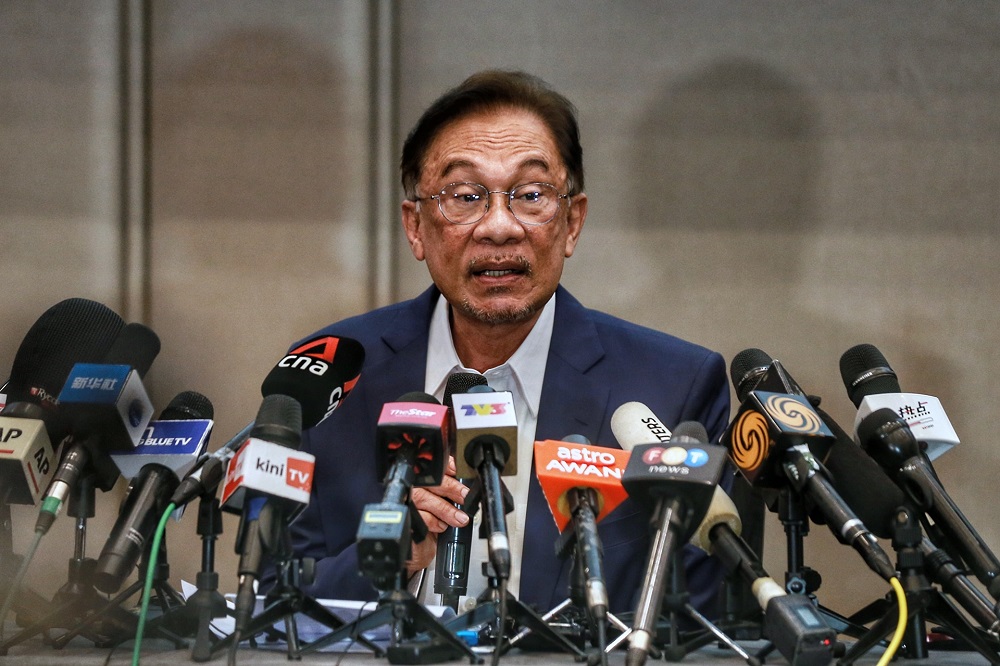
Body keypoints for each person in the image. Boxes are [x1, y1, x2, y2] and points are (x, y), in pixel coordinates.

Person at [284, 70, 731, 618]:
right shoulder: (332, 373)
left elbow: (703, 624)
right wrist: (386, 559)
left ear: (572, 223)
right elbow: (271, 600)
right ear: (415, 227)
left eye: (531, 195)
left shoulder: (674, 388)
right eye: (465, 196)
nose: (499, 227)